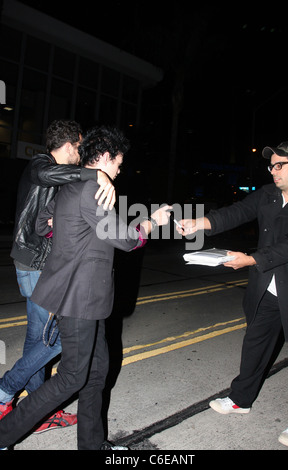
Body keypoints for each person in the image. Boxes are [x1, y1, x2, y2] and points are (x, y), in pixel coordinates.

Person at [0, 125, 172, 450]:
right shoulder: (93, 191)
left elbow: (40, 224)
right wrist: (150, 222)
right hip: (79, 299)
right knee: (71, 377)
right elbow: (124, 238)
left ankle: (93, 446)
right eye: (118, 163)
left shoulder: (72, 185)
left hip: (82, 297)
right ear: (105, 157)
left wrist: (65, 225)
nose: (119, 171)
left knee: (97, 372)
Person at [177, 141, 288, 449]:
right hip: (269, 287)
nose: (273, 171)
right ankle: (240, 399)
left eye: (280, 165)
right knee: (255, 343)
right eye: (271, 166)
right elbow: (237, 212)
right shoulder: (269, 194)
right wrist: (199, 223)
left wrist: (251, 259)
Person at [0, 120, 116, 433]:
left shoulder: (61, 178)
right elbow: (45, 177)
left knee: (39, 336)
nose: (83, 153)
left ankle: (32, 407)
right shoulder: (42, 165)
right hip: (34, 261)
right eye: (80, 147)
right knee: (57, 339)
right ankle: (7, 392)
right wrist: (97, 173)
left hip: (36, 261)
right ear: (68, 146)